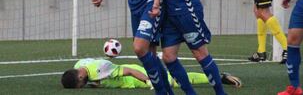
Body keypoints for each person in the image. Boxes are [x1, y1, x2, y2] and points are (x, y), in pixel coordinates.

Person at [61, 58, 242, 89]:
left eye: (80, 85)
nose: (82, 86)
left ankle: (219, 77)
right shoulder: (79, 65)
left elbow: (131, 71)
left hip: (137, 77)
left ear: (80, 77)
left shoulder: (100, 69)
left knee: (174, 81)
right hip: (128, 81)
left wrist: (151, 80)